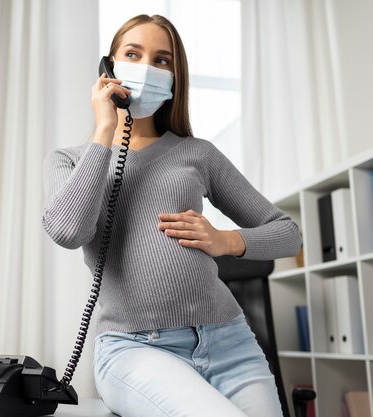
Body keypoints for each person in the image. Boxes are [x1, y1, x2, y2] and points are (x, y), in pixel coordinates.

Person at [41, 14, 301, 417]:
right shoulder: (70, 160)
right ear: (107, 68)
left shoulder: (198, 153)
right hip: (134, 349)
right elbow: (67, 230)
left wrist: (227, 240)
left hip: (230, 343)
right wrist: (104, 132)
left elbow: (287, 234)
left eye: (162, 60)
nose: (146, 67)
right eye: (132, 54)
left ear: (176, 78)